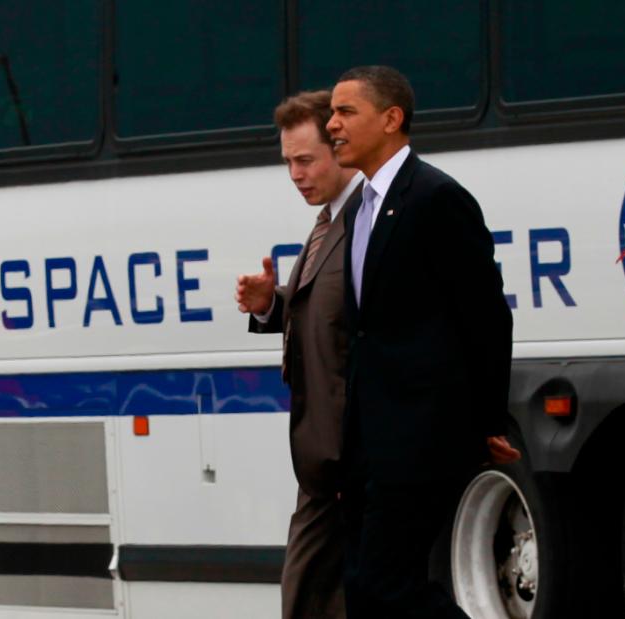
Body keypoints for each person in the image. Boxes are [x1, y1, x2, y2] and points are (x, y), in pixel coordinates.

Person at [326, 65, 521, 618]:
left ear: (391, 119)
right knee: (365, 588)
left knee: (389, 583)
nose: (332, 124)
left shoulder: (436, 198)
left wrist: (488, 419)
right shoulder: (359, 208)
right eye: (332, 113)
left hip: (421, 436)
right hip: (370, 441)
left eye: (346, 112)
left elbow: (485, 316)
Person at [235, 90, 363, 619]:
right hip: (323, 465)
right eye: (288, 162)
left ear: (339, 149)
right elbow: (327, 315)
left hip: (347, 459)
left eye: (305, 160)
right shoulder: (328, 221)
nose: (295, 174)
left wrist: (351, 460)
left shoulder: (367, 220)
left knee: (314, 593)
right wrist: (272, 306)